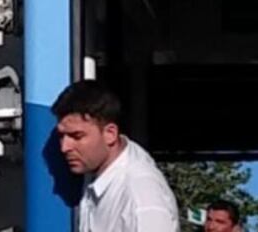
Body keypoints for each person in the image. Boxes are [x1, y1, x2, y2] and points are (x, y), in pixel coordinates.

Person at [52, 80, 179, 232]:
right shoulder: (98, 172)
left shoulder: (141, 195)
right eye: (62, 136)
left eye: (77, 136)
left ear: (110, 134)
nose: (64, 147)